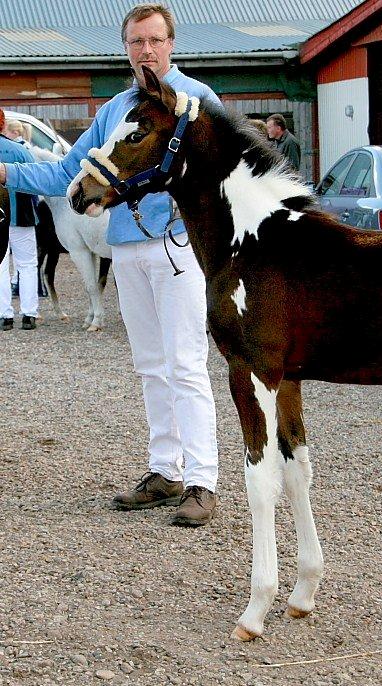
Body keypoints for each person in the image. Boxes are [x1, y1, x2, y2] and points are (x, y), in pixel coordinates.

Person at [0, 3, 220, 526]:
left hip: (179, 245)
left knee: (186, 362)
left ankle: (202, 480)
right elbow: (66, 174)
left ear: (171, 44)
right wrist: (8, 173)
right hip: (125, 245)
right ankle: (165, 470)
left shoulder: (197, 102)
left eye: (155, 41)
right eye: (136, 42)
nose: (146, 51)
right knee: (150, 365)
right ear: (126, 49)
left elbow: (220, 176)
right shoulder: (115, 110)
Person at [0, 109, 39, 330]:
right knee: (27, 264)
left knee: (0, 265)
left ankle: (4, 315)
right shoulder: (20, 150)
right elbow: (34, 180)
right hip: (22, 213)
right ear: (3, 124)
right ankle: (29, 314)